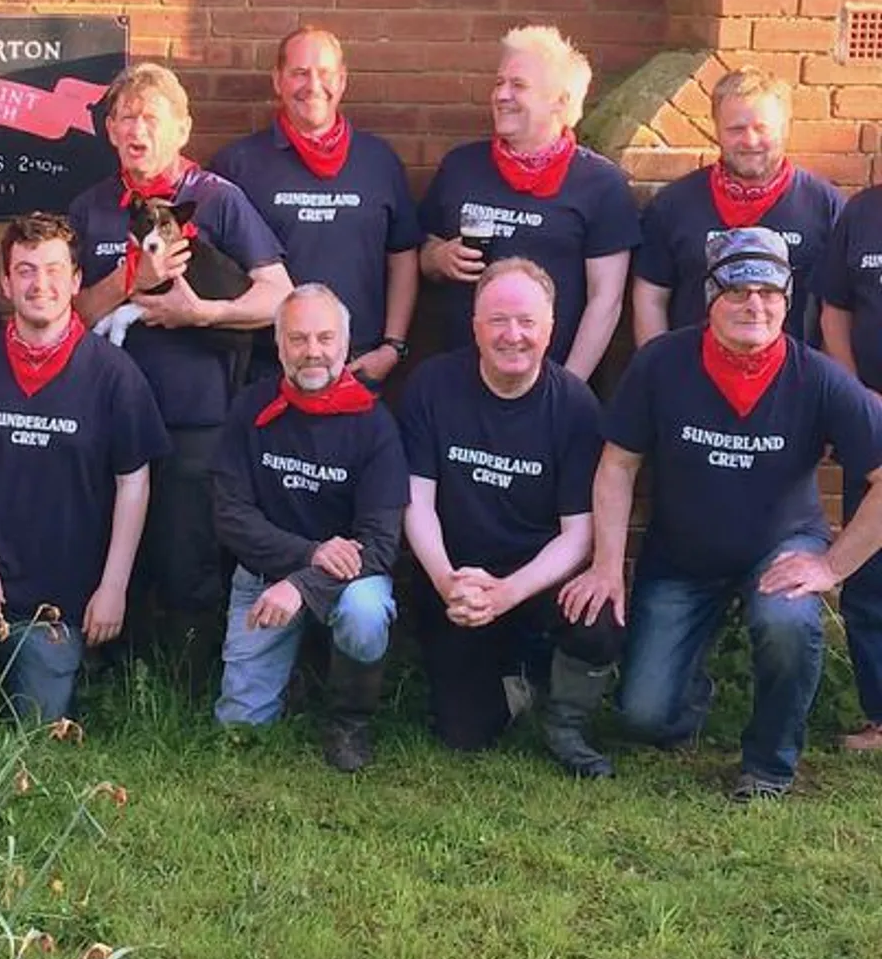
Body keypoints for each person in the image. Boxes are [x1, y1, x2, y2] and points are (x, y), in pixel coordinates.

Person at [563, 227, 882, 800]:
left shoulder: (822, 379)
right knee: (642, 718)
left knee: (788, 624)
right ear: (711, 297)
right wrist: (608, 564)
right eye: (737, 291)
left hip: (782, 549)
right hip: (681, 558)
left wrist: (832, 567)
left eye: (768, 292)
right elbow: (616, 466)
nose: (753, 305)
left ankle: (769, 762)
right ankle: (689, 695)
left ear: (788, 300)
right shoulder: (662, 363)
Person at [70, 63, 292, 684]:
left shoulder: (217, 199)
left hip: (195, 410)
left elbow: (280, 295)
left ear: (182, 128)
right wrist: (126, 283)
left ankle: (187, 689)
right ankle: (109, 677)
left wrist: (204, 312)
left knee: (185, 551)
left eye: (151, 118)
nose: (137, 129)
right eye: (126, 118)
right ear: (110, 130)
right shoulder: (91, 208)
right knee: (110, 548)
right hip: (106, 410)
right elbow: (70, 315)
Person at [0, 213, 169, 721]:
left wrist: (113, 586)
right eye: (27, 271)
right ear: (7, 284)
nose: (42, 284)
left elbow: (134, 481)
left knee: (34, 722)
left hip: (58, 598)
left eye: (55, 270)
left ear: (76, 281)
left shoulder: (113, 373)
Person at [401, 258, 618, 775]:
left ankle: (566, 723)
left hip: (536, 580)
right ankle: (521, 681)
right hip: (458, 578)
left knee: (599, 621)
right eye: (497, 320)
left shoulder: (575, 406)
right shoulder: (432, 386)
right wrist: (447, 582)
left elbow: (577, 536)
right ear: (475, 326)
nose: (512, 335)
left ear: (551, 329)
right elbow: (416, 502)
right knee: (465, 734)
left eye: (527, 322)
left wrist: (507, 593)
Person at [212, 284, 405, 771]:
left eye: (324, 338)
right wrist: (309, 554)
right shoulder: (249, 409)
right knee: (241, 729)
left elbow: (380, 547)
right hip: (262, 579)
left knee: (365, 612)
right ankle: (293, 678)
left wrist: (302, 583)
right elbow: (230, 515)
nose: (312, 352)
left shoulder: (376, 424)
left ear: (345, 344)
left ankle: (349, 720)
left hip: (346, 581)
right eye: (298, 339)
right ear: (278, 346)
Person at [417, 25, 638, 380]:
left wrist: (568, 389)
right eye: (498, 82)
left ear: (560, 101)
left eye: (518, 85)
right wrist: (438, 257)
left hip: (552, 384)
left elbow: (606, 302)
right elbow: (420, 251)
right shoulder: (461, 166)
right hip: (461, 385)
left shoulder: (601, 185)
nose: (502, 94)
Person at [210, 27, 421, 387]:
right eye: (299, 73)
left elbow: (402, 255)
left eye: (324, 73)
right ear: (277, 81)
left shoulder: (378, 160)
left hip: (358, 368)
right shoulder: (238, 165)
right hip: (268, 370)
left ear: (342, 81)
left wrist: (392, 347)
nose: (313, 85)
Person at [633, 66, 842, 346]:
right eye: (736, 129)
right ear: (716, 129)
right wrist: (657, 372)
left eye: (761, 128)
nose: (750, 141)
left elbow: (840, 311)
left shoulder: (826, 207)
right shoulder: (673, 205)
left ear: (785, 128)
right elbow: (651, 297)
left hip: (793, 383)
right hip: (693, 378)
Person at [815, 176, 882, 750]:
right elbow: (834, 308)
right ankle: (881, 720)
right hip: (877, 420)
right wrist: (857, 392)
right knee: (871, 578)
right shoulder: (860, 213)